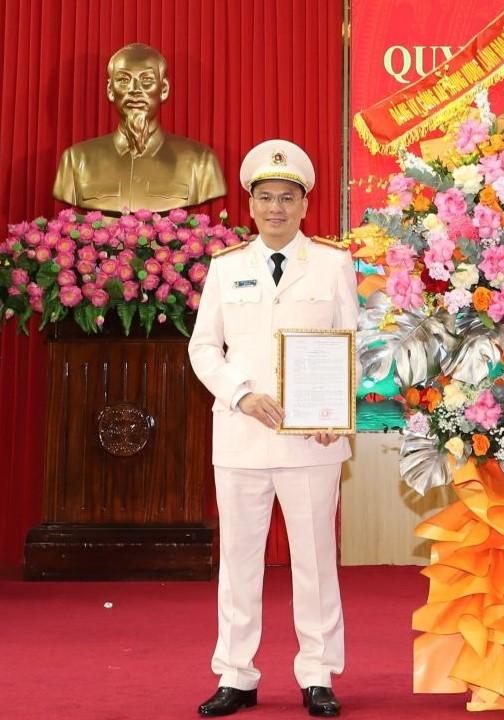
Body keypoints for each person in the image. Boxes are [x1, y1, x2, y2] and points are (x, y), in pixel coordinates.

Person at [189, 139, 358, 717]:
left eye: (287, 197)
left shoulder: (333, 264)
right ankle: (236, 674)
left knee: (315, 562)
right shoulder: (226, 266)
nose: (276, 208)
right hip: (241, 436)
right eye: (266, 198)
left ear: (305, 204)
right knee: (238, 562)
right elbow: (203, 348)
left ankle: (318, 674)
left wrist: (336, 411)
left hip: (312, 441)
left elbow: (353, 345)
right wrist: (241, 393)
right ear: (251, 205)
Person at [53, 43, 226, 212]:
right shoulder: (76, 160)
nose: (134, 90)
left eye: (146, 80)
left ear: (164, 89)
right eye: (123, 80)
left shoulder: (200, 162)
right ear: (110, 90)